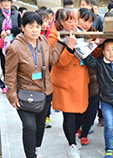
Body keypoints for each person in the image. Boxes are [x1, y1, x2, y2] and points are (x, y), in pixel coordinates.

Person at [5, 11, 65, 158]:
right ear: (23, 27)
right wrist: (12, 96)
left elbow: (51, 60)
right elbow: (10, 75)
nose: (35, 30)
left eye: (38, 26)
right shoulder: (15, 48)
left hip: (44, 92)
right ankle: (31, 155)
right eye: (31, 26)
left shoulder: (43, 41)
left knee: (39, 126)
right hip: (25, 94)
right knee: (30, 126)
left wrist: (61, 43)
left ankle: (36, 149)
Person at [48, 7, 88, 158]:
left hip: (81, 82)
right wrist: (70, 46)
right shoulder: (54, 37)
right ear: (61, 22)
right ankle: (72, 144)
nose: (73, 24)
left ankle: (73, 135)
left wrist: (98, 43)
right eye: (69, 20)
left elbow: (92, 54)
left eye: (75, 20)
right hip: (65, 83)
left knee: (81, 115)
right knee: (69, 116)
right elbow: (59, 62)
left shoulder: (83, 33)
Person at [76, 7, 102, 146]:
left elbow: (96, 55)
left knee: (92, 106)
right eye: (84, 20)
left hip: (92, 76)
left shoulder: (94, 34)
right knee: (80, 106)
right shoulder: (73, 34)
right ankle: (78, 128)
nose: (87, 24)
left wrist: (98, 44)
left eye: (90, 21)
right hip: (77, 76)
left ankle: (85, 132)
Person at [0, 0, 21, 93]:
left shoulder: (16, 14)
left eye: (8, 1)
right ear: (0, 3)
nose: (6, 3)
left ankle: (15, 82)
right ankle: (6, 82)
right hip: (2, 42)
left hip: (14, 41)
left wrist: (11, 30)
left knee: (15, 62)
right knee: (4, 62)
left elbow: (20, 27)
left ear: (11, 3)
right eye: (4, 1)